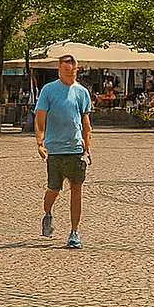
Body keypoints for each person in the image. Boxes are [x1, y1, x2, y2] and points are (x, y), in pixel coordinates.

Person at [35, 55, 92, 250]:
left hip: (75, 149)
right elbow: (40, 117)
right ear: (59, 70)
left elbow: (86, 122)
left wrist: (89, 147)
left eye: (72, 69)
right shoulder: (49, 90)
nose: (69, 72)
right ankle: (48, 212)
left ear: (76, 70)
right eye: (65, 69)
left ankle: (74, 232)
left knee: (76, 189)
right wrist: (40, 142)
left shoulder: (82, 92)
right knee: (54, 189)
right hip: (55, 149)